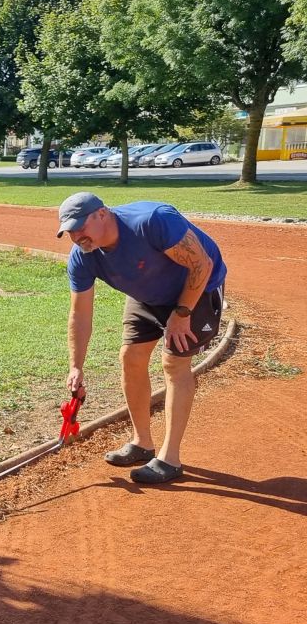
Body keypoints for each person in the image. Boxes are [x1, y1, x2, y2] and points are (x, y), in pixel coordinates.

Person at [58, 192, 227, 485]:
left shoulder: (151, 221)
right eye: (70, 231)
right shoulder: (83, 258)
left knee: (174, 363)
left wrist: (182, 312)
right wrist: (76, 367)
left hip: (196, 288)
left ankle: (170, 459)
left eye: (80, 226)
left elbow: (202, 264)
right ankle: (142, 442)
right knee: (131, 357)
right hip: (147, 293)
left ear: (102, 214)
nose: (76, 236)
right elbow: (80, 315)